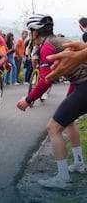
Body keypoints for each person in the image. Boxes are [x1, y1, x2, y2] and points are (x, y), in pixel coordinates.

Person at [16, 13, 87, 190]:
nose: (30, 34)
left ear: (35, 32)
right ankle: (78, 163)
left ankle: (63, 179)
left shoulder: (47, 47)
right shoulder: (57, 40)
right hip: (81, 86)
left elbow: (46, 80)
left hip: (84, 86)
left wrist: (28, 98)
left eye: (31, 31)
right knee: (67, 121)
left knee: (53, 128)